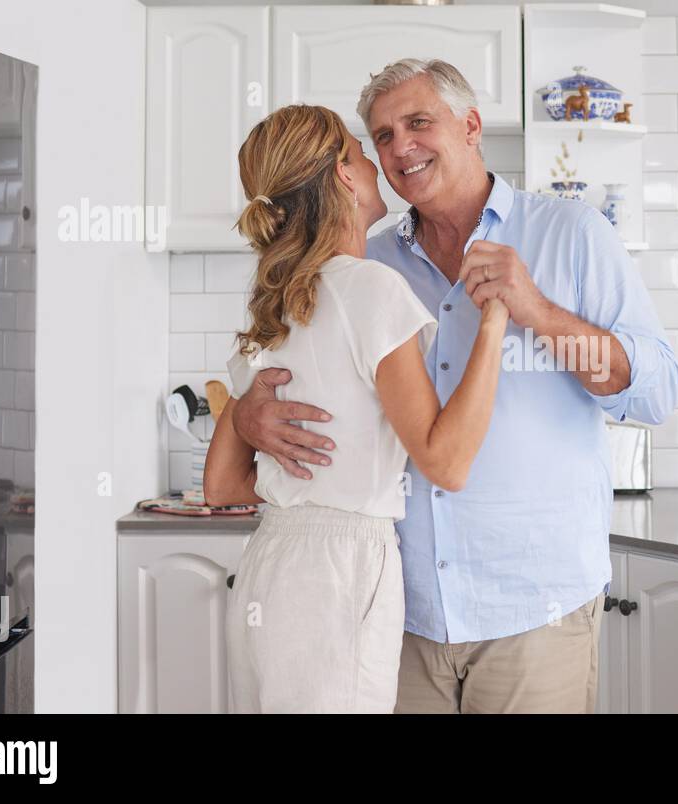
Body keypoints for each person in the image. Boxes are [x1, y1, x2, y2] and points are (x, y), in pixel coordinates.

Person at [230, 59, 678, 713]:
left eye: (418, 122)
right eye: (381, 136)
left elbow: (656, 391)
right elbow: (284, 374)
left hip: (533, 611)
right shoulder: (365, 264)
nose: (399, 147)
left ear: (471, 125)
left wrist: (539, 312)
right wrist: (247, 420)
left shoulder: (571, 234)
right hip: (398, 614)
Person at [202, 103, 510, 713]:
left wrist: (243, 421)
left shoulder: (278, 301)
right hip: (340, 573)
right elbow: (445, 461)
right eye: (362, 149)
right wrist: (495, 325)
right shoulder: (370, 289)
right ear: (345, 175)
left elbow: (221, 486)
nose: (378, 160)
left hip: (270, 564)